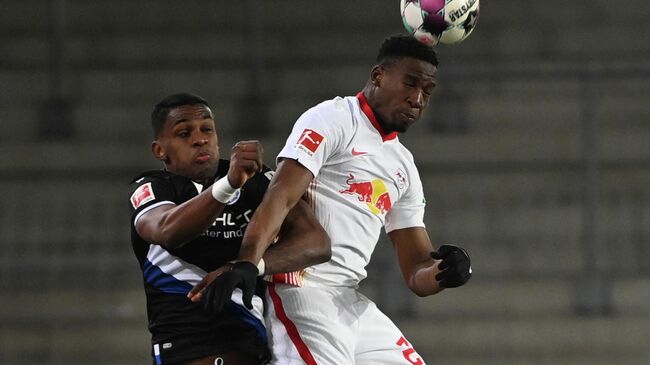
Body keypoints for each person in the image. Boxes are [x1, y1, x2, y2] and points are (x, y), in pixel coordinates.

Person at [190, 34, 473, 364]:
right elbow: (280, 196)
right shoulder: (333, 119)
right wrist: (247, 262)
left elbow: (415, 273)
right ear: (378, 76)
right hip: (302, 290)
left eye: (427, 91)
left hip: (349, 301)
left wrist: (443, 272)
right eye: (410, 83)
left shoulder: (404, 167)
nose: (418, 99)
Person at [128, 93, 330, 365]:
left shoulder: (255, 179)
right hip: (187, 349)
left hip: (253, 348)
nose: (200, 139)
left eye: (207, 129)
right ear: (160, 150)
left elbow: (316, 242)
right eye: (184, 133)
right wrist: (228, 185)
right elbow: (167, 230)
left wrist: (248, 266)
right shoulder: (154, 188)